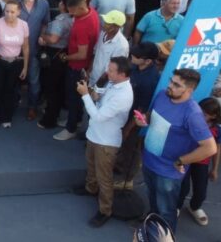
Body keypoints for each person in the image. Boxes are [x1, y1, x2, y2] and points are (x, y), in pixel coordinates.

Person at [135, 69, 218, 231]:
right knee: (152, 198)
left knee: (166, 210)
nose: (169, 86)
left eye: (176, 84)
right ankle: (152, 222)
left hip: (168, 172)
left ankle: (165, 235)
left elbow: (210, 147)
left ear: (189, 90)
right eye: (171, 81)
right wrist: (142, 120)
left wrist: (181, 161)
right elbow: (151, 116)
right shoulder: (161, 95)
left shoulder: (192, 114)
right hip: (149, 161)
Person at [73, 57, 133, 228]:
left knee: (104, 177)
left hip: (106, 142)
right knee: (91, 166)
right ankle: (90, 188)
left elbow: (98, 116)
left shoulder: (123, 95)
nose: (108, 71)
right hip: (95, 135)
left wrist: (85, 95)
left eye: (112, 70)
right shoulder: (113, 83)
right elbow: (99, 99)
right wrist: (95, 91)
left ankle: (105, 210)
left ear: (122, 74)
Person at [114, 42, 161, 190]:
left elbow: (142, 108)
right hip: (126, 111)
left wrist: (129, 127)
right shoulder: (134, 67)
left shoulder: (150, 80)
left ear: (147, 61)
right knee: (123, 145)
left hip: (136, 119)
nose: (132, 56)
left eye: (137, 55)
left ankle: (126, 180)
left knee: (131, 147)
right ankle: (119, 166)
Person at [54, 0, 100, 141]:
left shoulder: (81, 26)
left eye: (72, 11)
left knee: (73, 98)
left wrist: (66, 57)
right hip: (85, 66)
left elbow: (81, 54)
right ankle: (75, 120)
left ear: (81, 7)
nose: (70, 14)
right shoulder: (92, 12)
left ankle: (71, 128)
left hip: (77, 66)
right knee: (77, 99)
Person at [176, 97, 220, 226]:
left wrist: (214, 169)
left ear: (213, 116)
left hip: (202, 162)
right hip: (187, 158)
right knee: (182, 187)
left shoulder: (217, 130)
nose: (200, 116)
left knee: (201, 190)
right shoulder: (190, 122)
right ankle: (176, 206)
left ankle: (194, 207)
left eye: (205, 115)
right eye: (199, 112)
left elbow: (217, 149)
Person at [0, 0, 29, 128]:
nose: (9, 14)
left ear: (18, 12)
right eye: (7, 11)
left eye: (12, 12)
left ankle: (6, 117)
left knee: (10, 90)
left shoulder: (24, 25)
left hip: (15, 63)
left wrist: (25, 67)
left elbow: (26, 47)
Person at [37, 0, 74, 129]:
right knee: (59, 88)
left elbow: (53, 39)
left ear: (64, 5)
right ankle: (55, 113)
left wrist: (42, 35)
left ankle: (49, 119)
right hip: (65, 53)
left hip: (54, 54)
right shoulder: (74, 19)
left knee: (52, 88)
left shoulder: (60, 21)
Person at [17, 0, 50, 120]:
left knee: (34, 81)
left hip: (34, 50)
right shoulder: (13, 2)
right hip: (15, 51)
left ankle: (32, 107)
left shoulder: (44, 4)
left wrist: (42, 35)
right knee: (13, 80)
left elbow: (45, 23)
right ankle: (11, 104)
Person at [89, 11, 129, 91]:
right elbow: (96, 53)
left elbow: (112, 70)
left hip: (102, 85)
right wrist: (89, 71)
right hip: (92, 78)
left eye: (108, 23)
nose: (104, 25)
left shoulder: (122, 46)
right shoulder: (103, 33)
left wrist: (96, 88)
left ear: (116, 27)